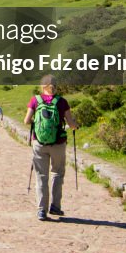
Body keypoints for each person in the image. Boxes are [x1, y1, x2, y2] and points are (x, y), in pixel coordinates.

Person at [23, 74, 78, 221]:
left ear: (42, 86)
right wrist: (75, 125)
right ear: (56, 86)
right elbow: (71, 123)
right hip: (58, 143)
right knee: (57, 173)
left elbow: (26, 121)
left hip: (39, 144)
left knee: (41, 176)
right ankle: (55, 206)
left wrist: (38, 122)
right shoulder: (62, 102)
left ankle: (41, 210)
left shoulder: (35, 100)